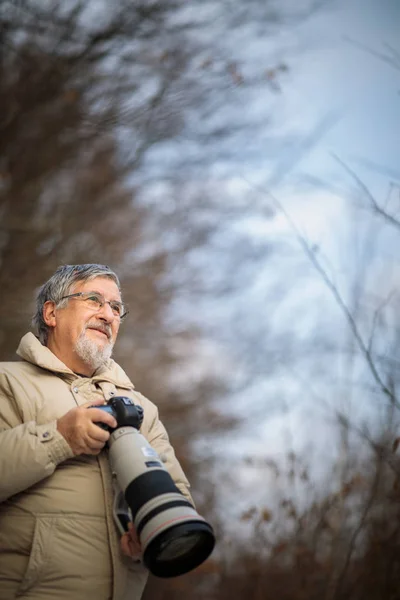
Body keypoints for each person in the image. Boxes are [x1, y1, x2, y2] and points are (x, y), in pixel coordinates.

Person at [0, 264, 193, 600]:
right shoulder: (7, 382)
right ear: (51, 313)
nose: (108, 315)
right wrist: (58, 439)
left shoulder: (141, 406)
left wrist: (146, 535)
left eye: (116, 308)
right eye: (94, 300)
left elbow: (177, 497)